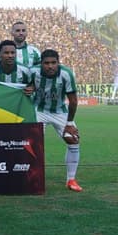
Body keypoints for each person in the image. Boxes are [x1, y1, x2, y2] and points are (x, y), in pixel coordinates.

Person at [31, 49, 82, 192]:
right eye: (46, 63)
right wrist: (30, 87)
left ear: (58, 63)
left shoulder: (66, 74)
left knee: (73, 139)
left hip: (60, 111)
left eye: (53, 63)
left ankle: (71, 179)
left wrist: (70, 123)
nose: (50, 66)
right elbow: (26, 87)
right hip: (39, 110)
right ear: (41, 64)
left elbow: (73, 101)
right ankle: (33, 177)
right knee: (32, 142)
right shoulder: (33, 72)